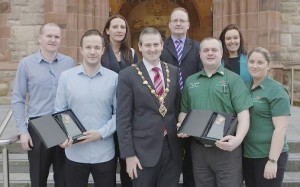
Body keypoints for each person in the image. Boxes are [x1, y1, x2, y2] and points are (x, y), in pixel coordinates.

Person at [177, 37, 253, 187]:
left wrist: (238, 140)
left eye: (214, 50)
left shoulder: (234, 80)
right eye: (206, 50)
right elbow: (184, 111)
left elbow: (243, 114)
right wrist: (182, 125)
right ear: (200, 54)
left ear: (221, 53)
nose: (210, 53)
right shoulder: (190, 81)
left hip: (226, 150)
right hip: (199, 150)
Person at [117, 27, 183, 187]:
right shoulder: (127, 75)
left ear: (162, 46)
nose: (152, 49)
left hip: (172, 150)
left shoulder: (173, 72)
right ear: (140, 47)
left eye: (155, 44)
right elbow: (123, 118)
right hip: (142, 153)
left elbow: (178, 108)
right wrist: (129, 155)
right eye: (147, 45)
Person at [11, 23, 75, 187]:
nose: (53, 40)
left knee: (65, 178)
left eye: (57, 37)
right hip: (41, 123)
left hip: (64, 122)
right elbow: (18, 99)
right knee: (39, 178)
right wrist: (23, 131)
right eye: (49, 36)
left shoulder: (69, 63)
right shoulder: (26, 64)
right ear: (40, 37)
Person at [55, 29, 118, 187]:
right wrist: (65, 135)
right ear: (81, 49)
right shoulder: (66, 77)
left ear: (103, 50)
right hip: (75, 153)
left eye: (97, 48)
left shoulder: (114, 78)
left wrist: (101, 133)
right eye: (88, 47)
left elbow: (120, 114)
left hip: (104, 152)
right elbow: (59, 110)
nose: (92, 51)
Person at [160, 7, 202, 187]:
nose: (178, 24)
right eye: (175, 21)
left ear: (188, 25)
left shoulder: (198, 47)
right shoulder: (160, 47)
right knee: (171, 156)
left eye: (182, 21)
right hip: (167, 109)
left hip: (193, 109)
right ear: (169, 24)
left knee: (192, 157)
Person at [243, 47, 290, 187]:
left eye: (260, 62)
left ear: (268, 65)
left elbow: (280, 128)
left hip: (268, 156)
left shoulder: (277, 90)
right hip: (248, 155)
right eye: (251, 62)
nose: (255, 66)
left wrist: (273, 161)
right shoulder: (245, 87)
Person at [101, 14, 138, 187]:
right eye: (115, 27)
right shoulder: (99, 51)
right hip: (105, 113)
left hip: (127, 114)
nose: (119, 30)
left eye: (122, 27)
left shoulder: (131, 53)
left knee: (127, 164)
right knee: (107, 164)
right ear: (107, 30)